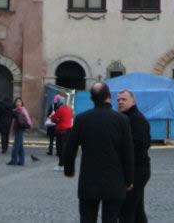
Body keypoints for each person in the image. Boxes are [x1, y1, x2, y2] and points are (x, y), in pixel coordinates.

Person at [61, 82, 135, 223]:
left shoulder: (81, 119)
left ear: (91, 98)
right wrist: (129, 179)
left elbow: (70, 148)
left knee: (87, 218)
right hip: (115, 180)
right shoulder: (122, 120)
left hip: (89, 180)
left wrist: (69, 170)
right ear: (109, 96)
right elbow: (128, 152)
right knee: (111, 219)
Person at [118, 89, 151, 223]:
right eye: (118, 100)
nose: (120, 102)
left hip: (136, 169)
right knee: (137, 209)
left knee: (127, 209)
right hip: (133, 169)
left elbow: (143, 144)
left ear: (133, 101)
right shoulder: (125, 118)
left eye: (124, 99)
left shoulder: (136, 119)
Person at [52, 95, 76, 169]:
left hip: (61, 130)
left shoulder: (60, 110)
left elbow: (53, 118)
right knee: (65, 147)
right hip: (69, 130)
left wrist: (57, 120)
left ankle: (61, 164)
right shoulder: (69, 109)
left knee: (60, 147)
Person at [8, 97, 32, 166]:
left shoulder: (22, 110)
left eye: (19, 102)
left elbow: (27, 119)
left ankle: (14, 160)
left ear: (22, 103)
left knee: (16, 146)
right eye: (17, 102)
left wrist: (28, 124)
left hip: (20, 129)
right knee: (20, 146)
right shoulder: (15, 110)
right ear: (15, 103)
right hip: (17, 129)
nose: (18, 103)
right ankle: (21, 161)